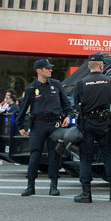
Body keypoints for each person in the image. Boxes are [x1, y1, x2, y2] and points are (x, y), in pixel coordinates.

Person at [17, 59, 72, 196]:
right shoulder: (30, 89)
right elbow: (23, 109)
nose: (50, 70)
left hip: (55, 124)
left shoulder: (57, 85)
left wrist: (68, 116)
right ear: (39, 70)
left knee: (55, 155)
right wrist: (20, 126)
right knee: (35, 154)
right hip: (38, 125)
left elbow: (66, 104)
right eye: (47, 68)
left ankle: (53, 185)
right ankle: (30, 185)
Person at [72, 53, 111, 203]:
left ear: (89, 66)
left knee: (86, 157)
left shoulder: (81, 83)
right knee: (108, 155)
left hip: (87, 123)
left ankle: (86, 194)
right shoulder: (109, 81)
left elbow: (76, 103)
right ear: (101, 65)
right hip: (104, 122)